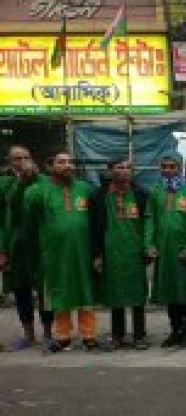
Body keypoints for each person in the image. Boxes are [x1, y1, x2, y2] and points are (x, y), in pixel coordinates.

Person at [24, 150, 97, 352]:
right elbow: (28, 200)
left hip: (83, 252)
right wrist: (34, 178)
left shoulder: (85, 189)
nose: (68, 166)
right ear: (50, 167)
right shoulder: (40, 190)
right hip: (55, 253)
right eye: (62, 162)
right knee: (60, 292)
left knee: (86, 292)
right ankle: (63, 336)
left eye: (71, 162)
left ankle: (89, 335)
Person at [144, 153, 186, 349]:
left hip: (185, 252)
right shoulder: (156, 191)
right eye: (164, 166)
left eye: (172, 166)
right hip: (164, 252)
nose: (168, 170)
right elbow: (149, 219)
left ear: (180, 167)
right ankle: (175, 331)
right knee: (170, 292)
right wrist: (149, 245)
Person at [89, 158, 149, 350]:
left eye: (128, 167)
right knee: (115, 294)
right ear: (109, 171)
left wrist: (148, 247)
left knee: (137, 295)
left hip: (135, 251)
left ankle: (139, 335)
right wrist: (97, 255)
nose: (124, 170)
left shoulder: (141, 194)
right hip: (111, 252)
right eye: (119, 167)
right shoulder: (98, 196)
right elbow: (94, 229)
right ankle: (117, 335)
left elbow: (148, 223)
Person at [0, 145, 54, 351]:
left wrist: (33, 178)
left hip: (41, 246)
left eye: (26, 157)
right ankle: (29, 335)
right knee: (21, 291)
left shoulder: (44, 182)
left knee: (45, 292)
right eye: (17, 158)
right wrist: (2, 250)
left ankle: (48, 335)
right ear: (9, 162)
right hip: (16, 247)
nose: (22, 162)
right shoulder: (5, 184)